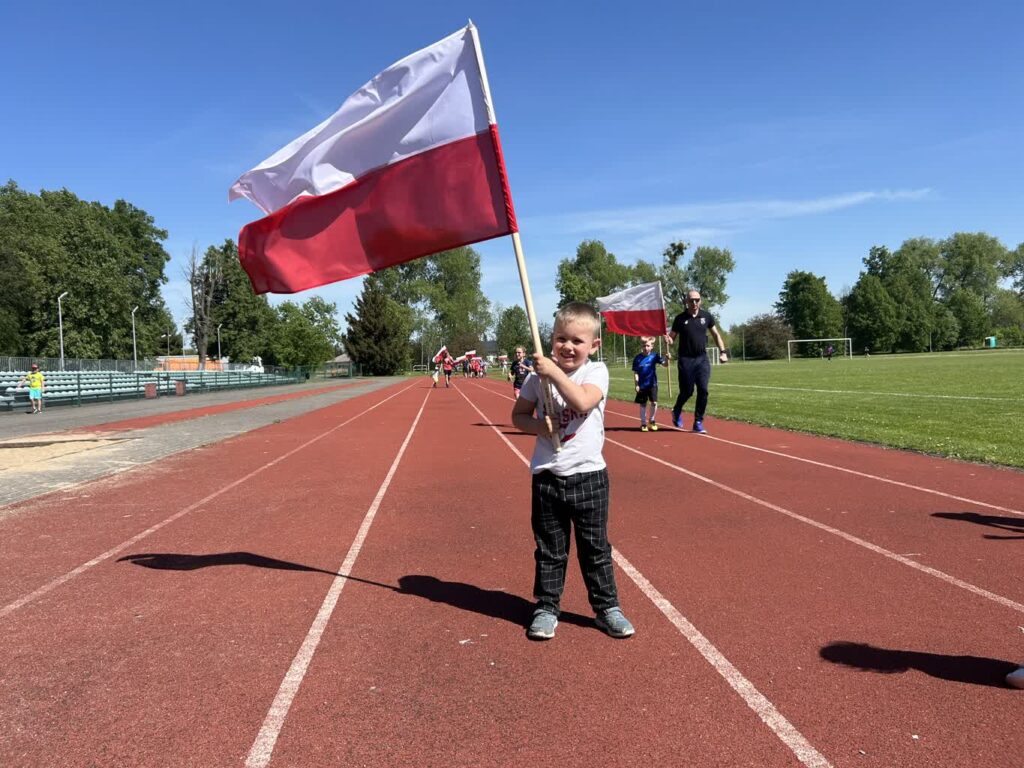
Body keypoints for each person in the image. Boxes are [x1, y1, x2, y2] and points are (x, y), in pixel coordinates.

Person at [512, 302, 634, 641]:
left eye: (577, 341)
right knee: (550, 549)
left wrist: (552, 372)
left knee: (595, 548)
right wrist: (537, 425)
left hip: (589, 476)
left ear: (593, 345)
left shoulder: (596, 373)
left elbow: (581, 402)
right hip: (547, 477)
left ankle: (607, 607)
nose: (567, 346)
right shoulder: (538, 378)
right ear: (550, 339)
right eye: (560, 338)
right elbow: (517, 416)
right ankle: (547, 607)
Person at [666, 290, 728, 433]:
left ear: (700, 301)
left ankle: (698, 421)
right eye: (691, 300)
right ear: (686, 302)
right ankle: (676, 410)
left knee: (704, 390)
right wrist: (668, 340)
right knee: (687, 392)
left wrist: (723, 352)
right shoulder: (680, 319)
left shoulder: (706, 316)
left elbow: (716, 334)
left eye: (697, 300)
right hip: (685, 360)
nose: (694, 303)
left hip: (702, 359)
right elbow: (672, 338)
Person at [632, 336, 669, 431]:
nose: (646, 347)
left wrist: (667, 358)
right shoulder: (637, 358)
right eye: (644, 345)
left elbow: (665, 364)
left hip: (652, 384)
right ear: (641, 346)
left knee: (654, 402)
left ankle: (652, 420)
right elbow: (636, 373)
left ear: (652, 347)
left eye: (648, 345)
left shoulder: (654, 356)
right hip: (642, 385)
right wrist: (636, 385)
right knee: (643, 404)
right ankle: (643, 423)